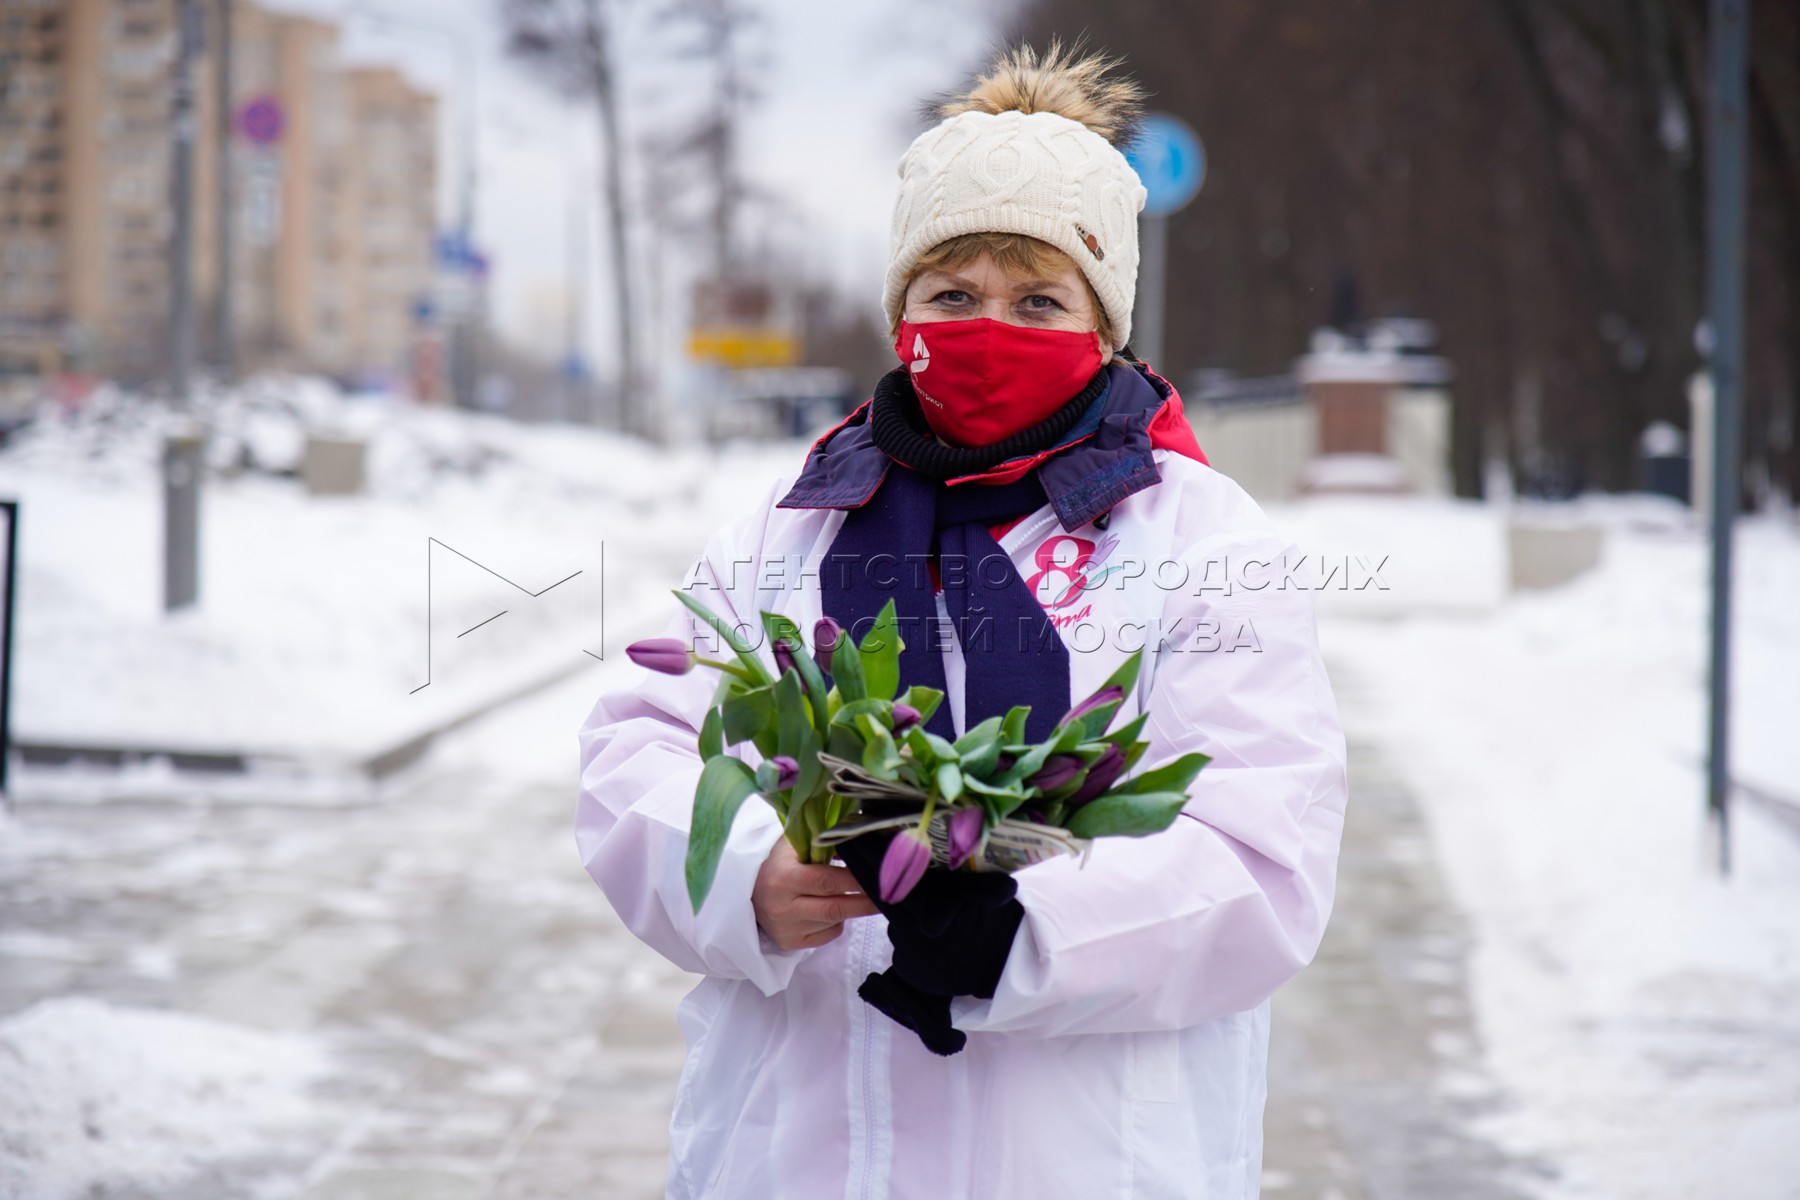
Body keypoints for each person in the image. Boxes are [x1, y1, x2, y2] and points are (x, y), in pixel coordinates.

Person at [577, 42, 1347, 1199]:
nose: (991, 327)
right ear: (902, 314)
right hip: (798, 1156)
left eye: (1039, 299)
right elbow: (636, 746)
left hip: (1083, 1156)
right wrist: (743, 878)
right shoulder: (792, 528)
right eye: (953, 295)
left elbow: (1262, 851)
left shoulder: (1199, 539)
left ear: (1104, 323)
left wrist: (1025, 932)